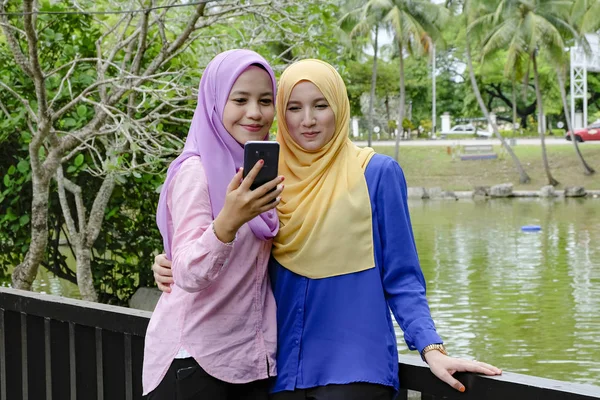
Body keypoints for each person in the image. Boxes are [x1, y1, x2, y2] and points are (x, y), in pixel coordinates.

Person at [152, 59, 502, 399]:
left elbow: (402, 276)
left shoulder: (376, 173)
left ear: (339, 106)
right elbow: (218, 247)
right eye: (293, 107)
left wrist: (431, 347)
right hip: (278, 372)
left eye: (321, 105)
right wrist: (168, 263)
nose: (308, 120)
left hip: (354, 368)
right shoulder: (265, 180)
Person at [143, 49, 285, 400]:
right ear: (215, 100)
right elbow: (188, 273)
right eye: (240, 99)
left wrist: (167, 260)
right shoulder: (197, 171)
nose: (255, 112)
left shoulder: (261, 171)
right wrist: (229, 221)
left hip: (249, 361)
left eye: (265, 100)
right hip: (195, 361)